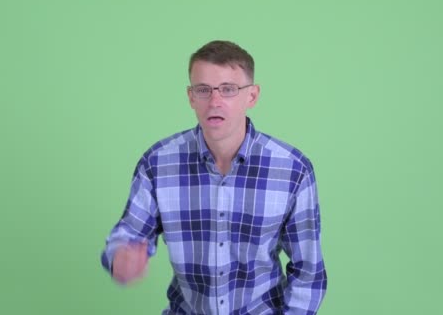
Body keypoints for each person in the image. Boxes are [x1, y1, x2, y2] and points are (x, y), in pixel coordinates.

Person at [101, 40, 327, 314]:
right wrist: (120, 257)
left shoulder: (293, 170)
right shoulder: (158, 163)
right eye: (203, 90)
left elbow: (308, 272)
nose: (215, 101)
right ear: (191, 97)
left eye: (229, 89)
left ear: (252, 96)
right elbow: (129, 234)